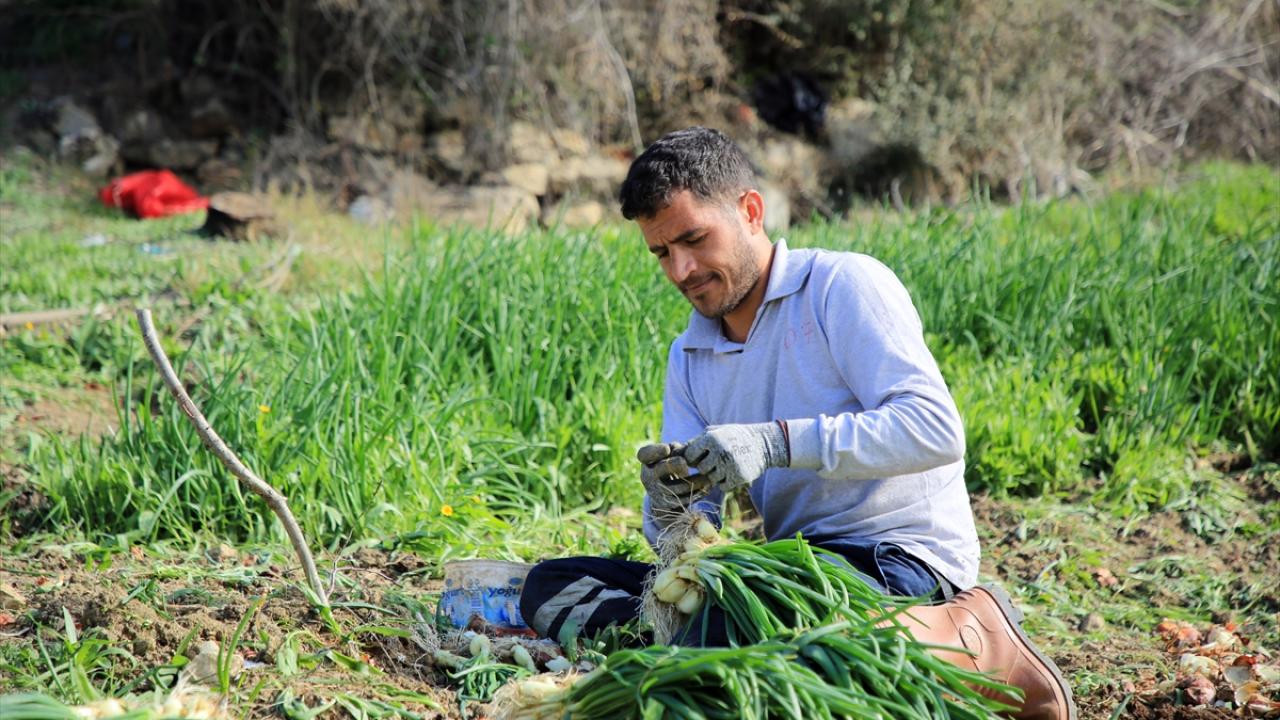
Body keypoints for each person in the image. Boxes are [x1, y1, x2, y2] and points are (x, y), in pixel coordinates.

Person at [518, 127, 1076, 720]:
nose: (680, 269)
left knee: (724, 630)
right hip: (788, 568)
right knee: (551, 587)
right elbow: (690, 536)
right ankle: (737, 653)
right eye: (661, 253)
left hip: (894, 557)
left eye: (693, 239)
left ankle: (973, 639)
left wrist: (776, 443)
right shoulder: (690, 354)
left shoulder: (842, 286)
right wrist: (671, 506)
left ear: (750, 211)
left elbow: (935, 429)